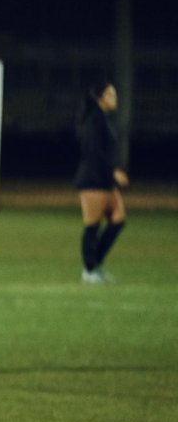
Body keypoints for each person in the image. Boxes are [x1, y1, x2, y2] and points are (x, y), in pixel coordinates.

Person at [74, 82, 128, 284]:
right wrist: (114, 171)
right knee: (92, 225)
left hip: (103, 179)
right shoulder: (93, 120)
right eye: (111, 94)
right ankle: (89, 270)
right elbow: (92, 151)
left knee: (118, 219)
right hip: (92, 180)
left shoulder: (102, 119)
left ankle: (95, 263)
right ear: (100, 98)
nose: (115, 98)